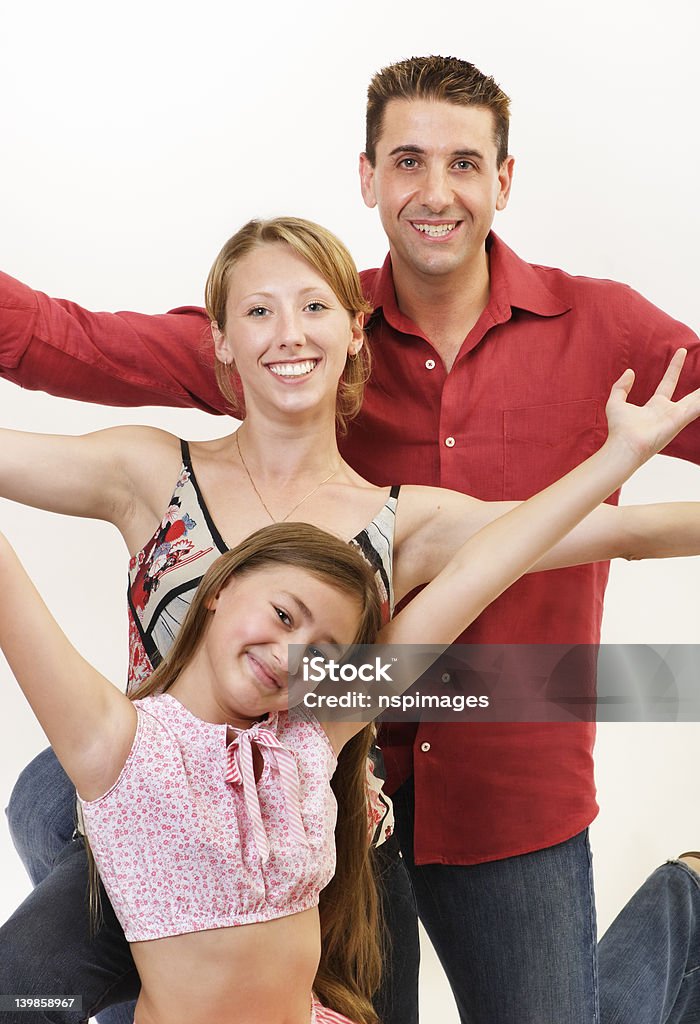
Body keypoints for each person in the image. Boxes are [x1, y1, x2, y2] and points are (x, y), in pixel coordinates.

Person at [1, 53, 700, 1021]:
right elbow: (60, 338)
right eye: (406, 159)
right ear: (221, 340)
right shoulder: (220, 396)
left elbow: (549, 542)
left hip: (434, 775)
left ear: (503, 178)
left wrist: (614, 488)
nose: (435, 190)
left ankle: (680, 904)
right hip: (235, 785)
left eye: (464, 162)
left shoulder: (395, 533)